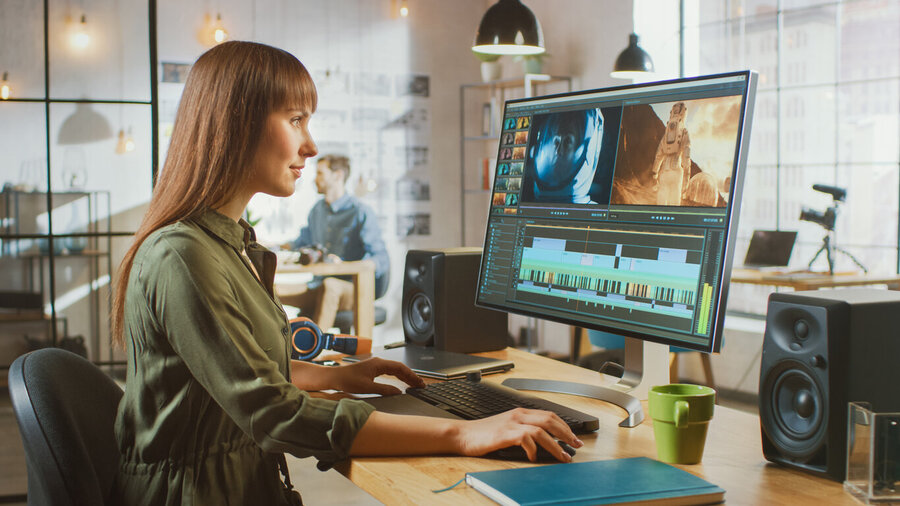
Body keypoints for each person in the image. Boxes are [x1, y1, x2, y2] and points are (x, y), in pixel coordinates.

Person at [109, 41, 580, 505]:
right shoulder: (183, 256)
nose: (310, 146)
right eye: (296, 120)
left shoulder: (228, 242)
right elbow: (273, 414)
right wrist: (463, 432)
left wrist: (333, 376)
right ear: (235, 124)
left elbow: (234, 375)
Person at [278, 154, 388, 332]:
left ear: (337, 176)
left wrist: (345, 265)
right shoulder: (317, 211)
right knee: (272, 290)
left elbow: (380, 259)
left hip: (353, 289)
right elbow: (301, 242)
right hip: (319, 286)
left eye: (320, 173)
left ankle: (315, 350)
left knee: (331, 285)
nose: (315, 179)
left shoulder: (360, 212)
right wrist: (269, 244)